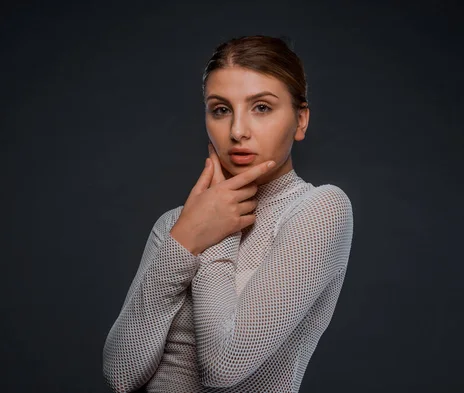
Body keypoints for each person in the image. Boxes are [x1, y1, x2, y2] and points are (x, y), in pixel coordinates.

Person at [102, 35, 354, 393]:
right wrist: (185, 239)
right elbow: (120, 374)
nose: (237, 131)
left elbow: (225, 366)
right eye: (221, 109)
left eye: (261, 107)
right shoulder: (176, 224)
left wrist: (217, 235)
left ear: (300, 121)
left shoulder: (320, 209)